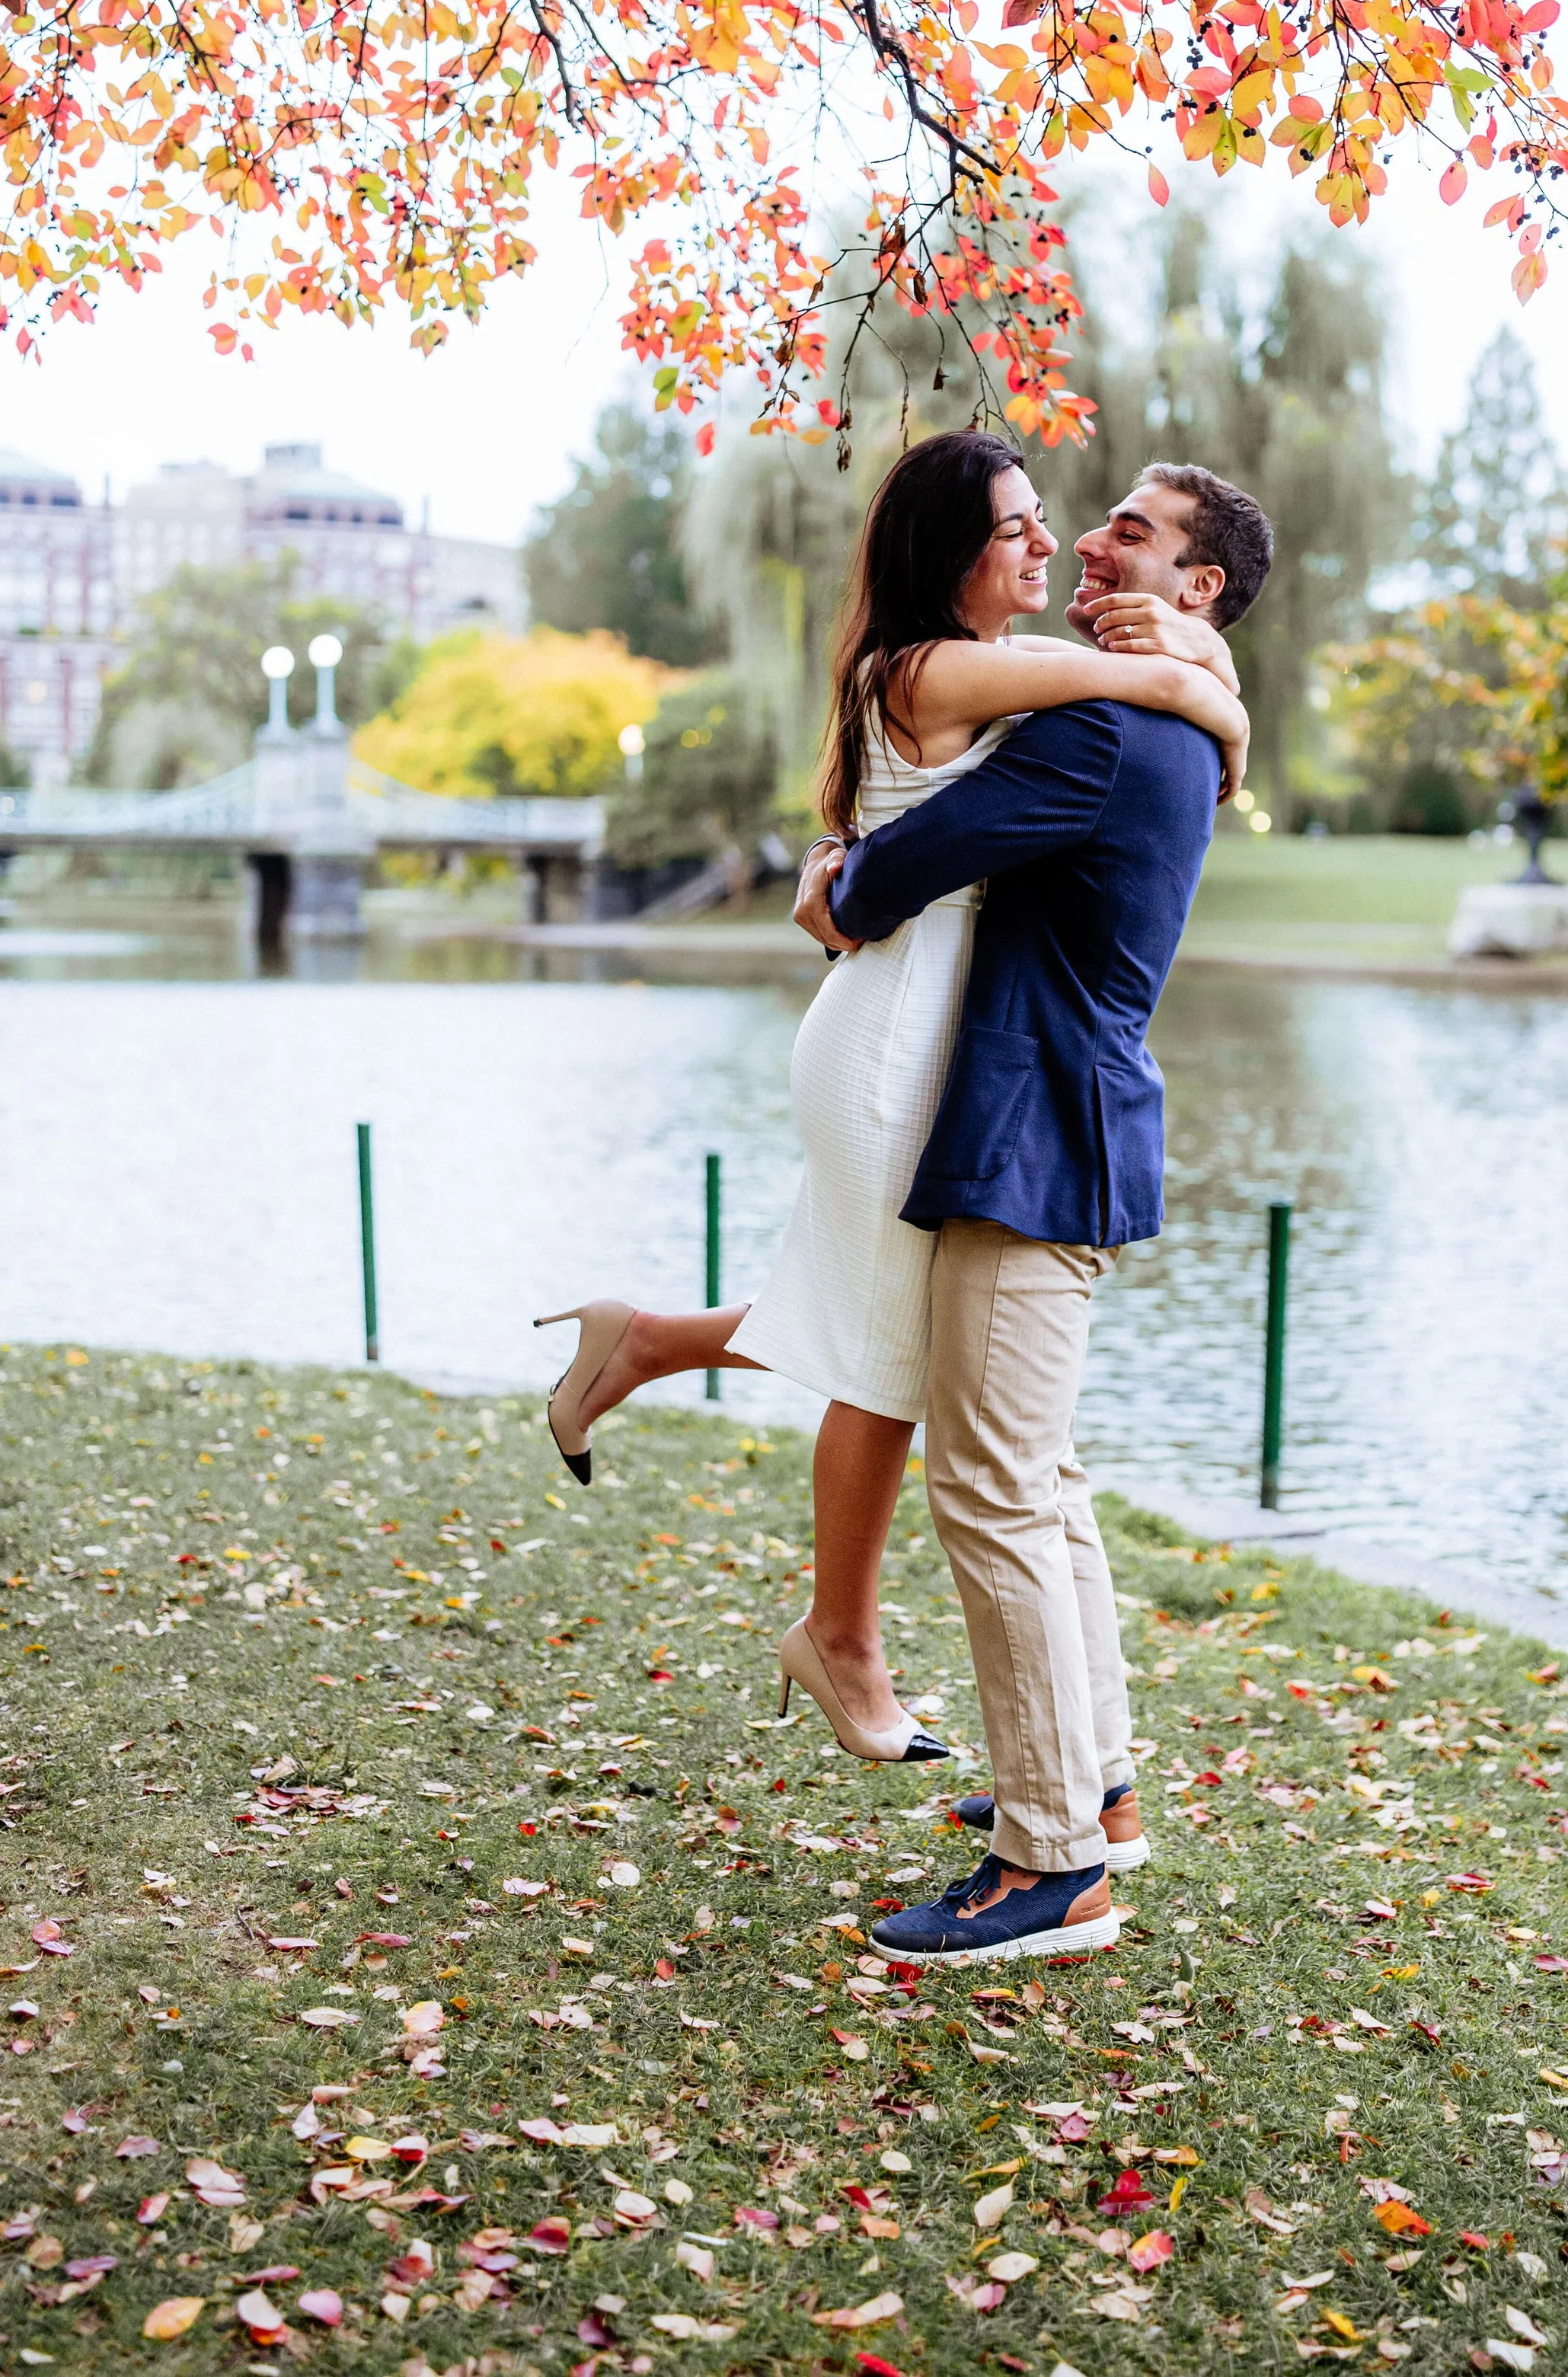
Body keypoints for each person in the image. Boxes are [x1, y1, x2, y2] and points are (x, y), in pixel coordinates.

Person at [532, 429, 1257, 1762]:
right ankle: (840, 1632)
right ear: (950, 555)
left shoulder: (984, 675)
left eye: (1060, 522)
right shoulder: (936, 666)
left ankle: (641, 1347)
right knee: (891, 1346)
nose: (1052, 544)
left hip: (928, 1016)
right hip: (894, 1027)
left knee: (894, 1330)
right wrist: (1225, 705)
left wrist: (1207, 677)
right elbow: (1139, 684)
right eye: (1019, 526)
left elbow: (1130, 683)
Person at [791, 465, 1273, 1960]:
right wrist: (1221, 697)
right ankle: (1097, 1792)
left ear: (1194, 590)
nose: (1089, 540)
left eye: (1131, 530)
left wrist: (834, 881)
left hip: (1030, 1138)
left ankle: (1050, 1862)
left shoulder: (1096, 735)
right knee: (1038, 1484)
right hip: (1063, 1126)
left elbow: (891, 880)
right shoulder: (1148, 715)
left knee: (992, 1492)